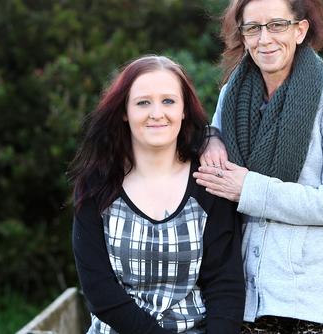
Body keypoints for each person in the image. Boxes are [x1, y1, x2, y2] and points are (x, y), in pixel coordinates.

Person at [193, 0, 323, 333]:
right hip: (245, 293)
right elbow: (213, 137)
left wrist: (250, 189)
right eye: (253, 28)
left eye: (277, 25)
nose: (264, 39)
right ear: (242, 36)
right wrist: (210, 138)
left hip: (310, 299)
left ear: (300, 30)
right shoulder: (234, 92)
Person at [69, 55, 245, 334]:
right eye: (143, 102)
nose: (156, 113)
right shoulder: (97, 186)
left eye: (168, 101)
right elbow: (99, 290)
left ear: (184, 109)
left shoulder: (208, 182)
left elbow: (225, 284)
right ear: (124, 111)